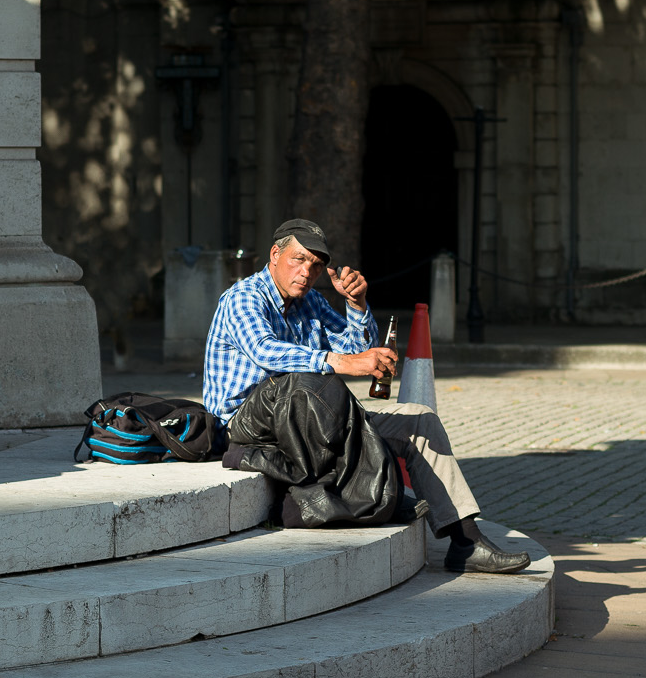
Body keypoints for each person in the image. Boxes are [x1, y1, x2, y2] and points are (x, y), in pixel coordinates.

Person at [202, 218, 531, 575]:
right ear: (275, 255)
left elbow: (358, 348)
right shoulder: (243, 297)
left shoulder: (311, 301)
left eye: (316, 265)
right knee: (302, 382)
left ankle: (466, 541)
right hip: (247, 423)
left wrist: (356, 304)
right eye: (298, 259)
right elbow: (265, 351)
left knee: (419, 420)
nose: (306, 272)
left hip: (309, 415)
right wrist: (344, 363)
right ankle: (385, 497)